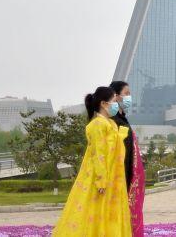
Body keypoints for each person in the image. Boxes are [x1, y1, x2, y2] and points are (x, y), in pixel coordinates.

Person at [52, 86, 130, 236]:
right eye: (114, 101)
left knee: (107, 211)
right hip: (100, 178)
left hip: (113, 177)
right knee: (95, 210)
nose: (116, 104)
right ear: (103, 104)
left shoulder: (111, 124)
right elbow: (98, 154)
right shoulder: (96, 125)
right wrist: (101, 180)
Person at [110, 80, 145, 236]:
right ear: (116, 97)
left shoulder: (123, 120)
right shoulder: (114, 123)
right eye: (127, 94)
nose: (130, 97)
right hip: (122, 180)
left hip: (129, 179)